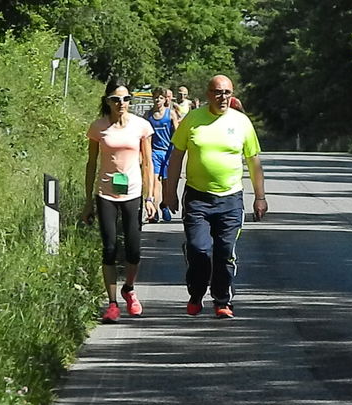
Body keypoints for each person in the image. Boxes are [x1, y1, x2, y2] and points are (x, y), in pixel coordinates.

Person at [164, 74, 268, 318]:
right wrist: (170, 193)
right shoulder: (193, 120)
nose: (223, 98)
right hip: (197, 198)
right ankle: (196, 293)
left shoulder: (241, 122)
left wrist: (260, 197)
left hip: (231, 199)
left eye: (227, 93)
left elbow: (253, 161)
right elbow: (176, 156)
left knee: (224, 251)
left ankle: (222, 301)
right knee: (199, 250)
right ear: (208, 94)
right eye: (218, 92)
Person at [82, 78, 157, 323]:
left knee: (133, 250)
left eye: (125, 99)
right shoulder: (98, 128)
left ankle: (129, 289)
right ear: (107, 101)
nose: (121, 103)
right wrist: (87, 201)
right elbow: (91, 163)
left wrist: (150, 197)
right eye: (115, 99)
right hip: (105, 193)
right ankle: (113, 303)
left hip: (133, 192)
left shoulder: (141, 126)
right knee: (110, 248)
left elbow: (147, 163)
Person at [145, 86, 178, 222]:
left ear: (165, 99)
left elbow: (177, 133)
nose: (157, 100)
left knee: (166, 182)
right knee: (154, 182)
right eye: (155, 97)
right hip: (154, 152)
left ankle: (165, 205)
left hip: (168, 152)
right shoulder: (148, 116)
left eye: (160, 98)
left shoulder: (170, 114)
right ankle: (154, 209)